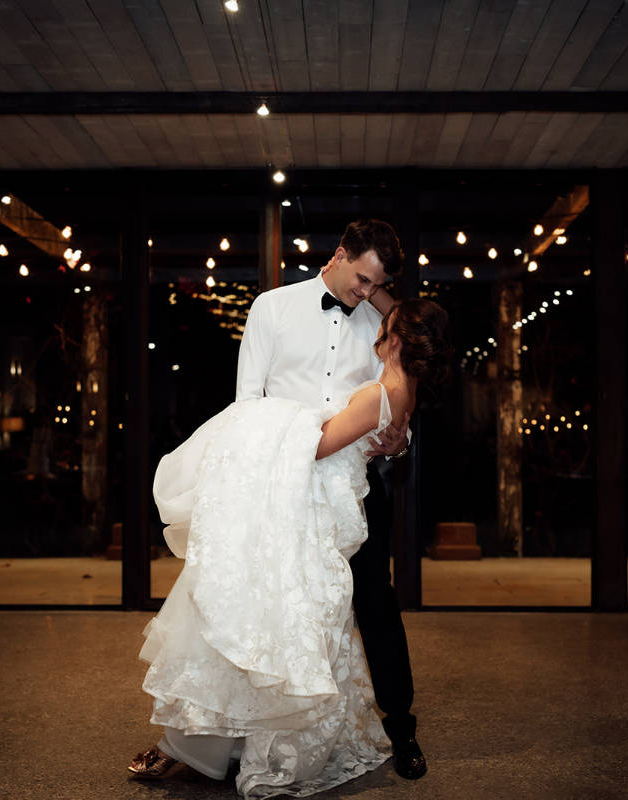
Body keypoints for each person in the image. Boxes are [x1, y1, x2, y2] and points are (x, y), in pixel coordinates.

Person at [130, 224, 447, 795]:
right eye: (361, 279)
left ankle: (402, 731)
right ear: (338, 255)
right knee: (260, 611)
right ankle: (230, 740)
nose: (365, 292)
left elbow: (395, 408)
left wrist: (401, 443)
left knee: (373, 605)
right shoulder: (271, 308)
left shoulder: (384, 327)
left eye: (377, 285)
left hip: (348, 492)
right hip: (274, 484)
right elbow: (247, 402)